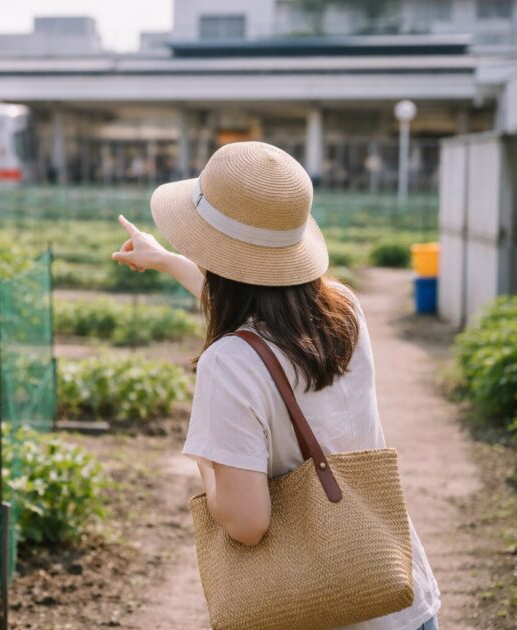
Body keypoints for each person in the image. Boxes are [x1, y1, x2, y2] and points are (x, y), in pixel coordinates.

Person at [111, 141, 441, 629]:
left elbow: (247, 524)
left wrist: (207, 463)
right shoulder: (343, 309)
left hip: (316, 610)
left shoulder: (228, 364)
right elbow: (262, 315)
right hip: (398, 592)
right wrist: (167, 260)